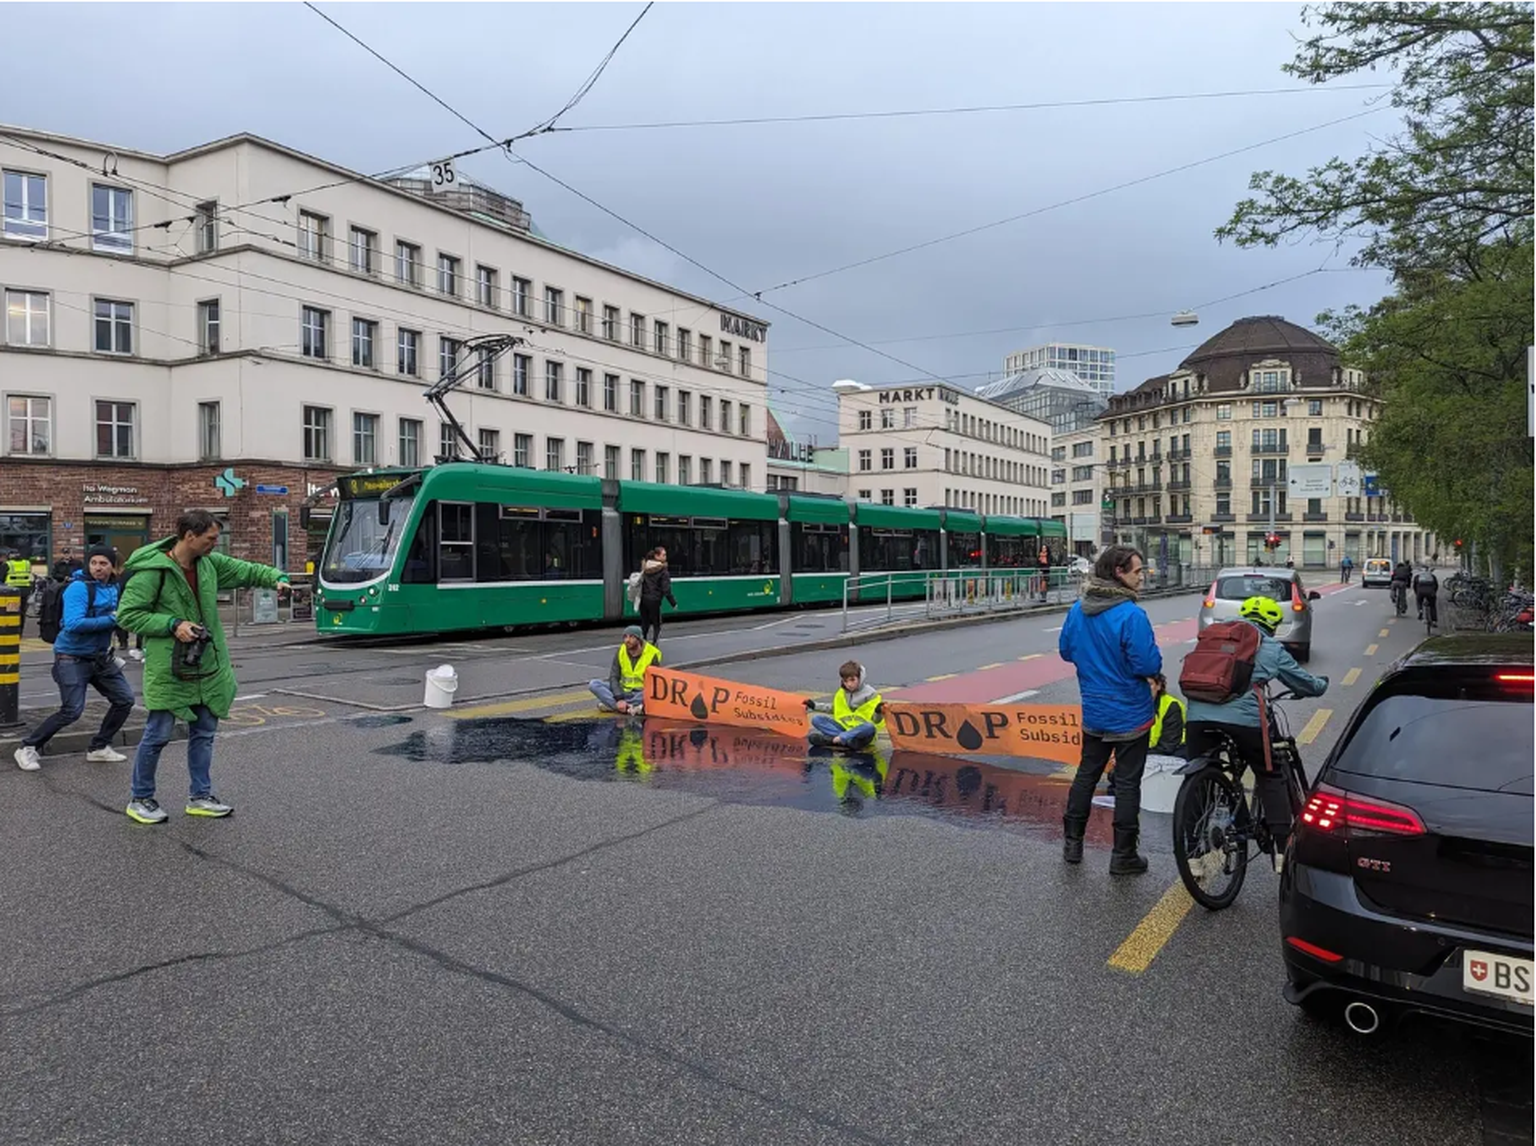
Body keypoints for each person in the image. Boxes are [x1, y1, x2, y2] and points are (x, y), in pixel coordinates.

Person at [116, 510, 290, 824]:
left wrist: (277, 579)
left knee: (204, 733)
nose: (214, 544)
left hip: (206, 665)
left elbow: (246, 570)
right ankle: (140, 798)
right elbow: (127, 615)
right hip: (170, 667)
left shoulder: (209, 564)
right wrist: (172, 624)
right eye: (210, 539)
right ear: (189, 536)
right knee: (157, 734)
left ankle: (200, 796)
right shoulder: (153, 571)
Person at [1185, 596, 1328, 872]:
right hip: (1244, 722)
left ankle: (1194, 853)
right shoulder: (1270, 646)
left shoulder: (1211, 638)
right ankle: (1280, 850)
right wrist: (1320, 686)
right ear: (1272, 624)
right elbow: (1303, 682)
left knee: (1198, 777)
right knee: (1268, 773)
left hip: (1197, 718)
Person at [1059, 545, 1162, 874]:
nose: (1142, 577)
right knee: (1128, 783)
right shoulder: (1131, 615)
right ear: (1119, 573)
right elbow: (1147, 662)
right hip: (1130, 712)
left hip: (1095, 712)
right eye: (1137, 571)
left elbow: (1065, 650)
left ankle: (1072, 845)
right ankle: (1123, 856)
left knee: (1086, 774)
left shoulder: (1079, 609)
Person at [12, 545, 136, 772]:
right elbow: (74, 623)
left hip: (100, 658)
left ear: (112, 566)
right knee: (72, 710)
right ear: (88, 564)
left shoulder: (113, 588)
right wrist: (114, 620)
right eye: (94, 563)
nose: (98, 568)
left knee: (125, 699)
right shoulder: (79, 588)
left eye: (103, 563)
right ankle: (27, 747)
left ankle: (99, 747)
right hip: (71, 657)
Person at [803, 661, 884, 750]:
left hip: (861, 732)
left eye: (852, 680)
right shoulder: (842, 693)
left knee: (869, 727)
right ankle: (848, 741)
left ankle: (833, 740)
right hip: (844, 727)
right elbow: (834, 708)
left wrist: (878, 711)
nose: (849, 684)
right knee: (817, 719)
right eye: (845, 681)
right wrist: (814, 705)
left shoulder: (871, 694)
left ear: (860, 678)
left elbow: (876, 721)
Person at [589, 625, 658, 715]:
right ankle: (629, 708)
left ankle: (612, 706)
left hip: (640, 693)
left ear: (639, 639)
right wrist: (619, 698)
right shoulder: (621, 651)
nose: (627, 640)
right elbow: (614, 677)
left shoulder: (652, 654)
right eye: (625, 637)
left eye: (631, 637)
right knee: (594, 684)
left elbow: (656, 682)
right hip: (622, 690)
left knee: (651, 693)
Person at [637, 547, 677, 646]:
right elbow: (666, 589)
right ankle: (655, 644)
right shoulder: (663, 570)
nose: (665, 557)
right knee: (657, 624)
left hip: (643, 599)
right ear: (656, 556)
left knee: (645, 623)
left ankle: (643, 643)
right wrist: (673, 603)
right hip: (654, 600)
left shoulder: (645, 567)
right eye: (663, 555)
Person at [113, 554, 146, 661]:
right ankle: (131, 644)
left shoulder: (128, 573)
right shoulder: (125, 573)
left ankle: (129, 643)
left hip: (125, 599)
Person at [4, 548, 33, 637]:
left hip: (11, 593)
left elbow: (1, 578)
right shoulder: (27, 563)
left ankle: (12, 631)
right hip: (24, 591)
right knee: (22, 612)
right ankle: (20, 632)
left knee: (12, 612)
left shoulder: (8, 564)